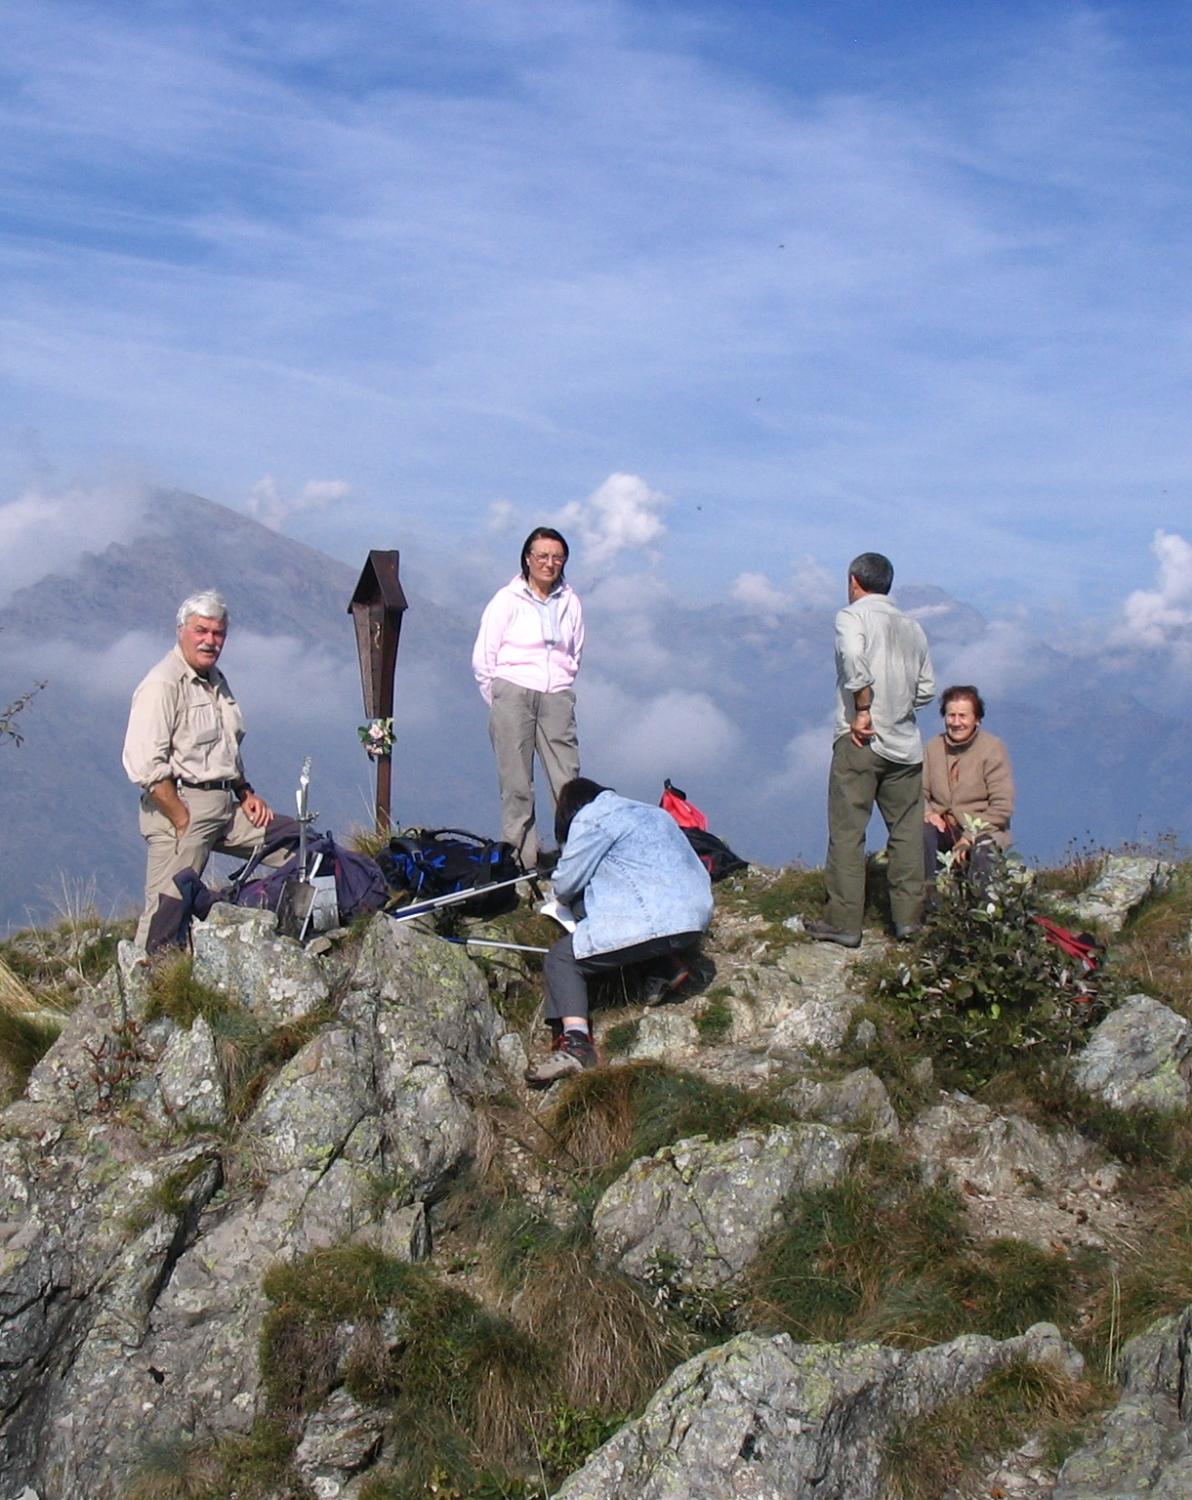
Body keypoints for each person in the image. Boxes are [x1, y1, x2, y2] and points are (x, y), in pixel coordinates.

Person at [525, 778, 714, 1086]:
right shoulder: (653, 813)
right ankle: (667, 965)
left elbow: (565, 883)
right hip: (694, 918)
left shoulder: (591, 818)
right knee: (627, 926)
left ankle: (577, 1045)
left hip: (656, 922)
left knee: (562, 958)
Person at [122, 591, 274, 949]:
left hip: (227, 805)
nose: (210, 640)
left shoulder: (215, 680)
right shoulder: (162, 684)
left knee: (299, 843)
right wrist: (180, 818)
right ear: (181, 631)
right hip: (183, 806)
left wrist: (245, 792)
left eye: (218, 633)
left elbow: (224, 745)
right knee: (166, 909)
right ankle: (150, 984)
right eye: (201, 630)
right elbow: (144, 762)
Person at [807, 552, 935, 948]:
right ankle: (909, 921)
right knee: (907, 833)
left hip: (861, 739)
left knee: (848, 831)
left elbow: (851, 658)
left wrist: (864, 708)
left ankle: (844, 922)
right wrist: (897, 710)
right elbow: (927, 689)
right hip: (905, 747)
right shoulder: (913, 627)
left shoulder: (852, 617)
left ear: (853, 581)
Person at [472, 527, 584, 869]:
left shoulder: (570, 601)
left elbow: (574, 649)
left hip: (556, 697)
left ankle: (578, 855)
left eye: (557, 557)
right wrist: (499, 697)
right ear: (527, 558)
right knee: (517, 781)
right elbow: (484, 655)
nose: (549, 563)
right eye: (542, 556)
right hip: (513, 692)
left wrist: (561, 682)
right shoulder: (506, 600)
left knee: (569, 782)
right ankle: (520, 861)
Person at [923, 685, 1014, 888]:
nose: (956, 723)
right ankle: (928, 904)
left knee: (982, 853)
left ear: (977, 719)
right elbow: (917, 792)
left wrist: (969, 837)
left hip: (983, 828)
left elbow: (1002, 807)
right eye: (951, 715)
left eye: (963, 716)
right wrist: (928, 812)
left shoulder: (992, 749)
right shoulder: (933, 747)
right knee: (920, 835)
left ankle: (986, 912)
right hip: (944, 826)